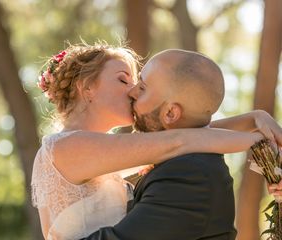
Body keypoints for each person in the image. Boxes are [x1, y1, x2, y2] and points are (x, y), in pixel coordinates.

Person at [31, 42, 281, 240]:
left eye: (137, 82)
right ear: (87, 88)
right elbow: (178, 142)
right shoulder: (66, 147)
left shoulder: (99, 149)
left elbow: (184, 135)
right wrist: (258, 140)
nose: (132, 90)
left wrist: (253, 118)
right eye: (123, 79)